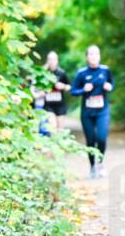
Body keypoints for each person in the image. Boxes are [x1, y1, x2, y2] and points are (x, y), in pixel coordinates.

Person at [71, 45, 114, 178]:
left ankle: (100, 163)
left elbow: (112, 84)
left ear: (99, 56)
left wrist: (109, 86)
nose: (93, 56)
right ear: (87, 57)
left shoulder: (105, 70)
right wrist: (83, 89)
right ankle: (92, 167)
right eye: (91, 54)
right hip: (87, 113)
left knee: (101, 138)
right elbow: (73, 91)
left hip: (102, 111)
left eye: (96, 54)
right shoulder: (81, 73)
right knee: (90, 141)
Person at [41, 51, 71, 131]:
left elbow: (69, 87)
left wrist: (63, 86)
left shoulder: (61, 73)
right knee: (52, 127)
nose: (52, 61)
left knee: (60, 130)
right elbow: (36, 84)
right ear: (47, 60)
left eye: (54, 59)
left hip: (60, 105)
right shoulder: (43, 73)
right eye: (50, 59)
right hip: (48, 105)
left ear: (57, 61)